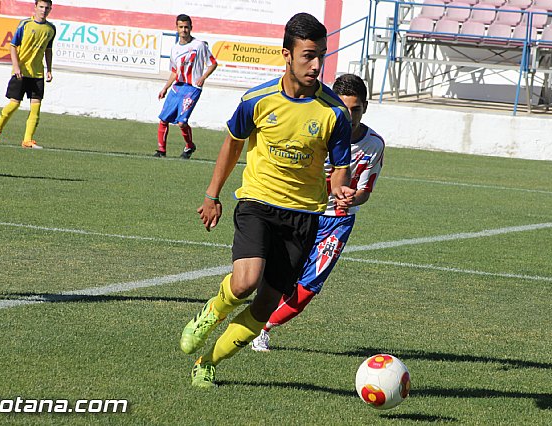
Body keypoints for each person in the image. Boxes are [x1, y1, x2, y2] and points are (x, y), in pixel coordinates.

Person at [179, 12, 356, 388]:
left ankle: (208, 362)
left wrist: (341, 187)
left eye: (321, 55)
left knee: (264, 305)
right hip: (257, 201)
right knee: (245, 282)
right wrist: (212, 195)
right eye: (308, 55)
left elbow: (340, 168)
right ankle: (213, 310)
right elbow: (231, 146)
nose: (316, 65)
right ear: (286, 55)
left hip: (304, 216)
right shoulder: (256, 100)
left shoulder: (335, 112)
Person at [250, 73, 385, 352]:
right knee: (279, 278)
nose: (350, 117)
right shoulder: (317, 132)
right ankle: (250, 316)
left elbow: (365, 191)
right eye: (344, 109)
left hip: (337, 222)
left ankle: (262, 328)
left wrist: (351, 197)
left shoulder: (373, 145)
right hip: (302, 213)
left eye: (356, 109)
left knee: (310, 286)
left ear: (365, 107)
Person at [0, 0, 55, 149]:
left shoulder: (51, 29)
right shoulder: (25, 24)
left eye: (47, 8)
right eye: (41, 7)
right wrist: (16, 66)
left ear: (51, 9)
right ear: (35, 7)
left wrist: (49, 69)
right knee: (14, 104)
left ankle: (27, 140)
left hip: (37, 74)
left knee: (36, 107)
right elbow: (13, 46)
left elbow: (48, 50)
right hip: (21, 72)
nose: (44, 10)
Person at [154, 14, 218, 159]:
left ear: (191, 28)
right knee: (164, 119)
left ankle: (189, 146)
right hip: (177, 87)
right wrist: (165, 88)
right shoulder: (175, 49)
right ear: (176, 28)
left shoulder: (199, 45)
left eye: (186, 27)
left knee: (182, 122)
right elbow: (174, 72)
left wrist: (203, 77)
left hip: (192, 88)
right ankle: (161, 151)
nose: (184, 30)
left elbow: (213, 63)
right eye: (181, 27)